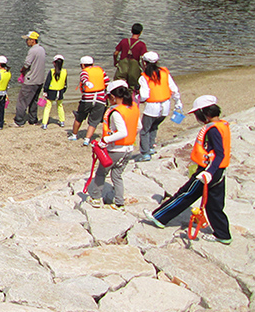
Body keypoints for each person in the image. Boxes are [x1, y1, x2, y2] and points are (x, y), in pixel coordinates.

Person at [145, 95, 232, 245]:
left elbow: (220, 153)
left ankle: (159, 217)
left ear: (204, 113)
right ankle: (223, 234)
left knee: (185, 194)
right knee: (215, 204)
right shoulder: (222, 125)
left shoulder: (213, 130)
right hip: (219, 170)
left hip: (208, 171)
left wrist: (208, 173)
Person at [87, 80, 140, 209]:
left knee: (101, 173)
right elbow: (139, 127)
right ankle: (119, 201)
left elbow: (122, 132)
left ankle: (95, 198)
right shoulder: (133, 107)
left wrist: (105, 140)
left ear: (113, 97)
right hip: (128, 150)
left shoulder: (116, 112)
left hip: (116, 150)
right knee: (117, 175)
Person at [135, 51, 183, 162]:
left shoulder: (144, 77)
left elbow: (144, 95)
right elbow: (174, 88)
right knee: (154, 126)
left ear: (144, 63)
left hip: (152, 107)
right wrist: (178, 102)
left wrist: (138, 96)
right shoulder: (164, 72)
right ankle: (151, 147)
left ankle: (145, 153)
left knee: (144, 130)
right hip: (165, 106)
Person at [68, 56, 109, 146]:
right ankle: (87, 139)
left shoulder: (84, 72)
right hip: (100, 99)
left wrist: (86, 83)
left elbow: (84, 78)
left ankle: (74, 135)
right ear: (93, 64)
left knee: (79, 117)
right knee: (94, 121)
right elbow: (107, 82)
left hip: (87, 99)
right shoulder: (100, 70)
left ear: (82, 65)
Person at [14, 31, 46, 126]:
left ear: (33, 40)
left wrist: (22, 70)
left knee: (22, 101)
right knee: (33, 101)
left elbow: (27, 64)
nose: (26, 42)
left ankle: (19, 120)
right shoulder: (42, 49)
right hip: (39, 80)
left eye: (28, 40)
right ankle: (33, 119)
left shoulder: (32, 50)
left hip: (30, 80)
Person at [113, 23, 147, 90]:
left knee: (118, 85)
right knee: (133, 87)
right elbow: (143, 58)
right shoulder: (141, 44)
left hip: (123, 67)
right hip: (134, 68)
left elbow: (115, 53)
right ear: (141, 32)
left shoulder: (124, 41)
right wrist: (144, 68)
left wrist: (115, 61)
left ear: (131, 31)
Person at [41, 55, 68, 129]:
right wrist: (63, 90)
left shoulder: (52, 71)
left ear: (54, 63)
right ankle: (62, 121)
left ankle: (44, 123)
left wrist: (45, 91)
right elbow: (65, 83)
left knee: (48, 107)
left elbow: (47, 82)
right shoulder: (65, 71)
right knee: (60, 106)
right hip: (60, 91)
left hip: (51, 91)